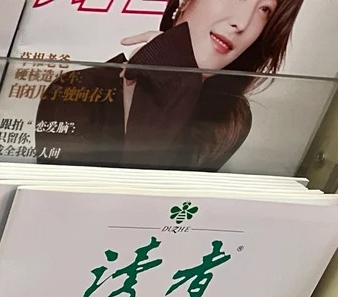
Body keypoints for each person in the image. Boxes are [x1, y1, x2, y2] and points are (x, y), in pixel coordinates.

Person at [33, 0, 305, 170]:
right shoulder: (76, 89)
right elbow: (78, 216)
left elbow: (157, 217)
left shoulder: (230, 117)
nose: (241, 23)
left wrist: (176, 81)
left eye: (264, 10)